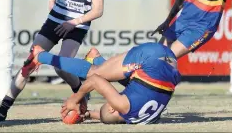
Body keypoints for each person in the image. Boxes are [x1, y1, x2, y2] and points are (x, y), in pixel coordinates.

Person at [14, 42, 181, 124]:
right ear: (112, 107)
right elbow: (94, 81)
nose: (109, 100)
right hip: (150, 60)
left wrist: (86, 115)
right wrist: (75, 98)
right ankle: (40, 56)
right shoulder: (123, 108)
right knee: (94, 72)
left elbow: (107, 116)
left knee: (132, 81)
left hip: (170, 64)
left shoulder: (141, 117)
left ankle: (97, 59)